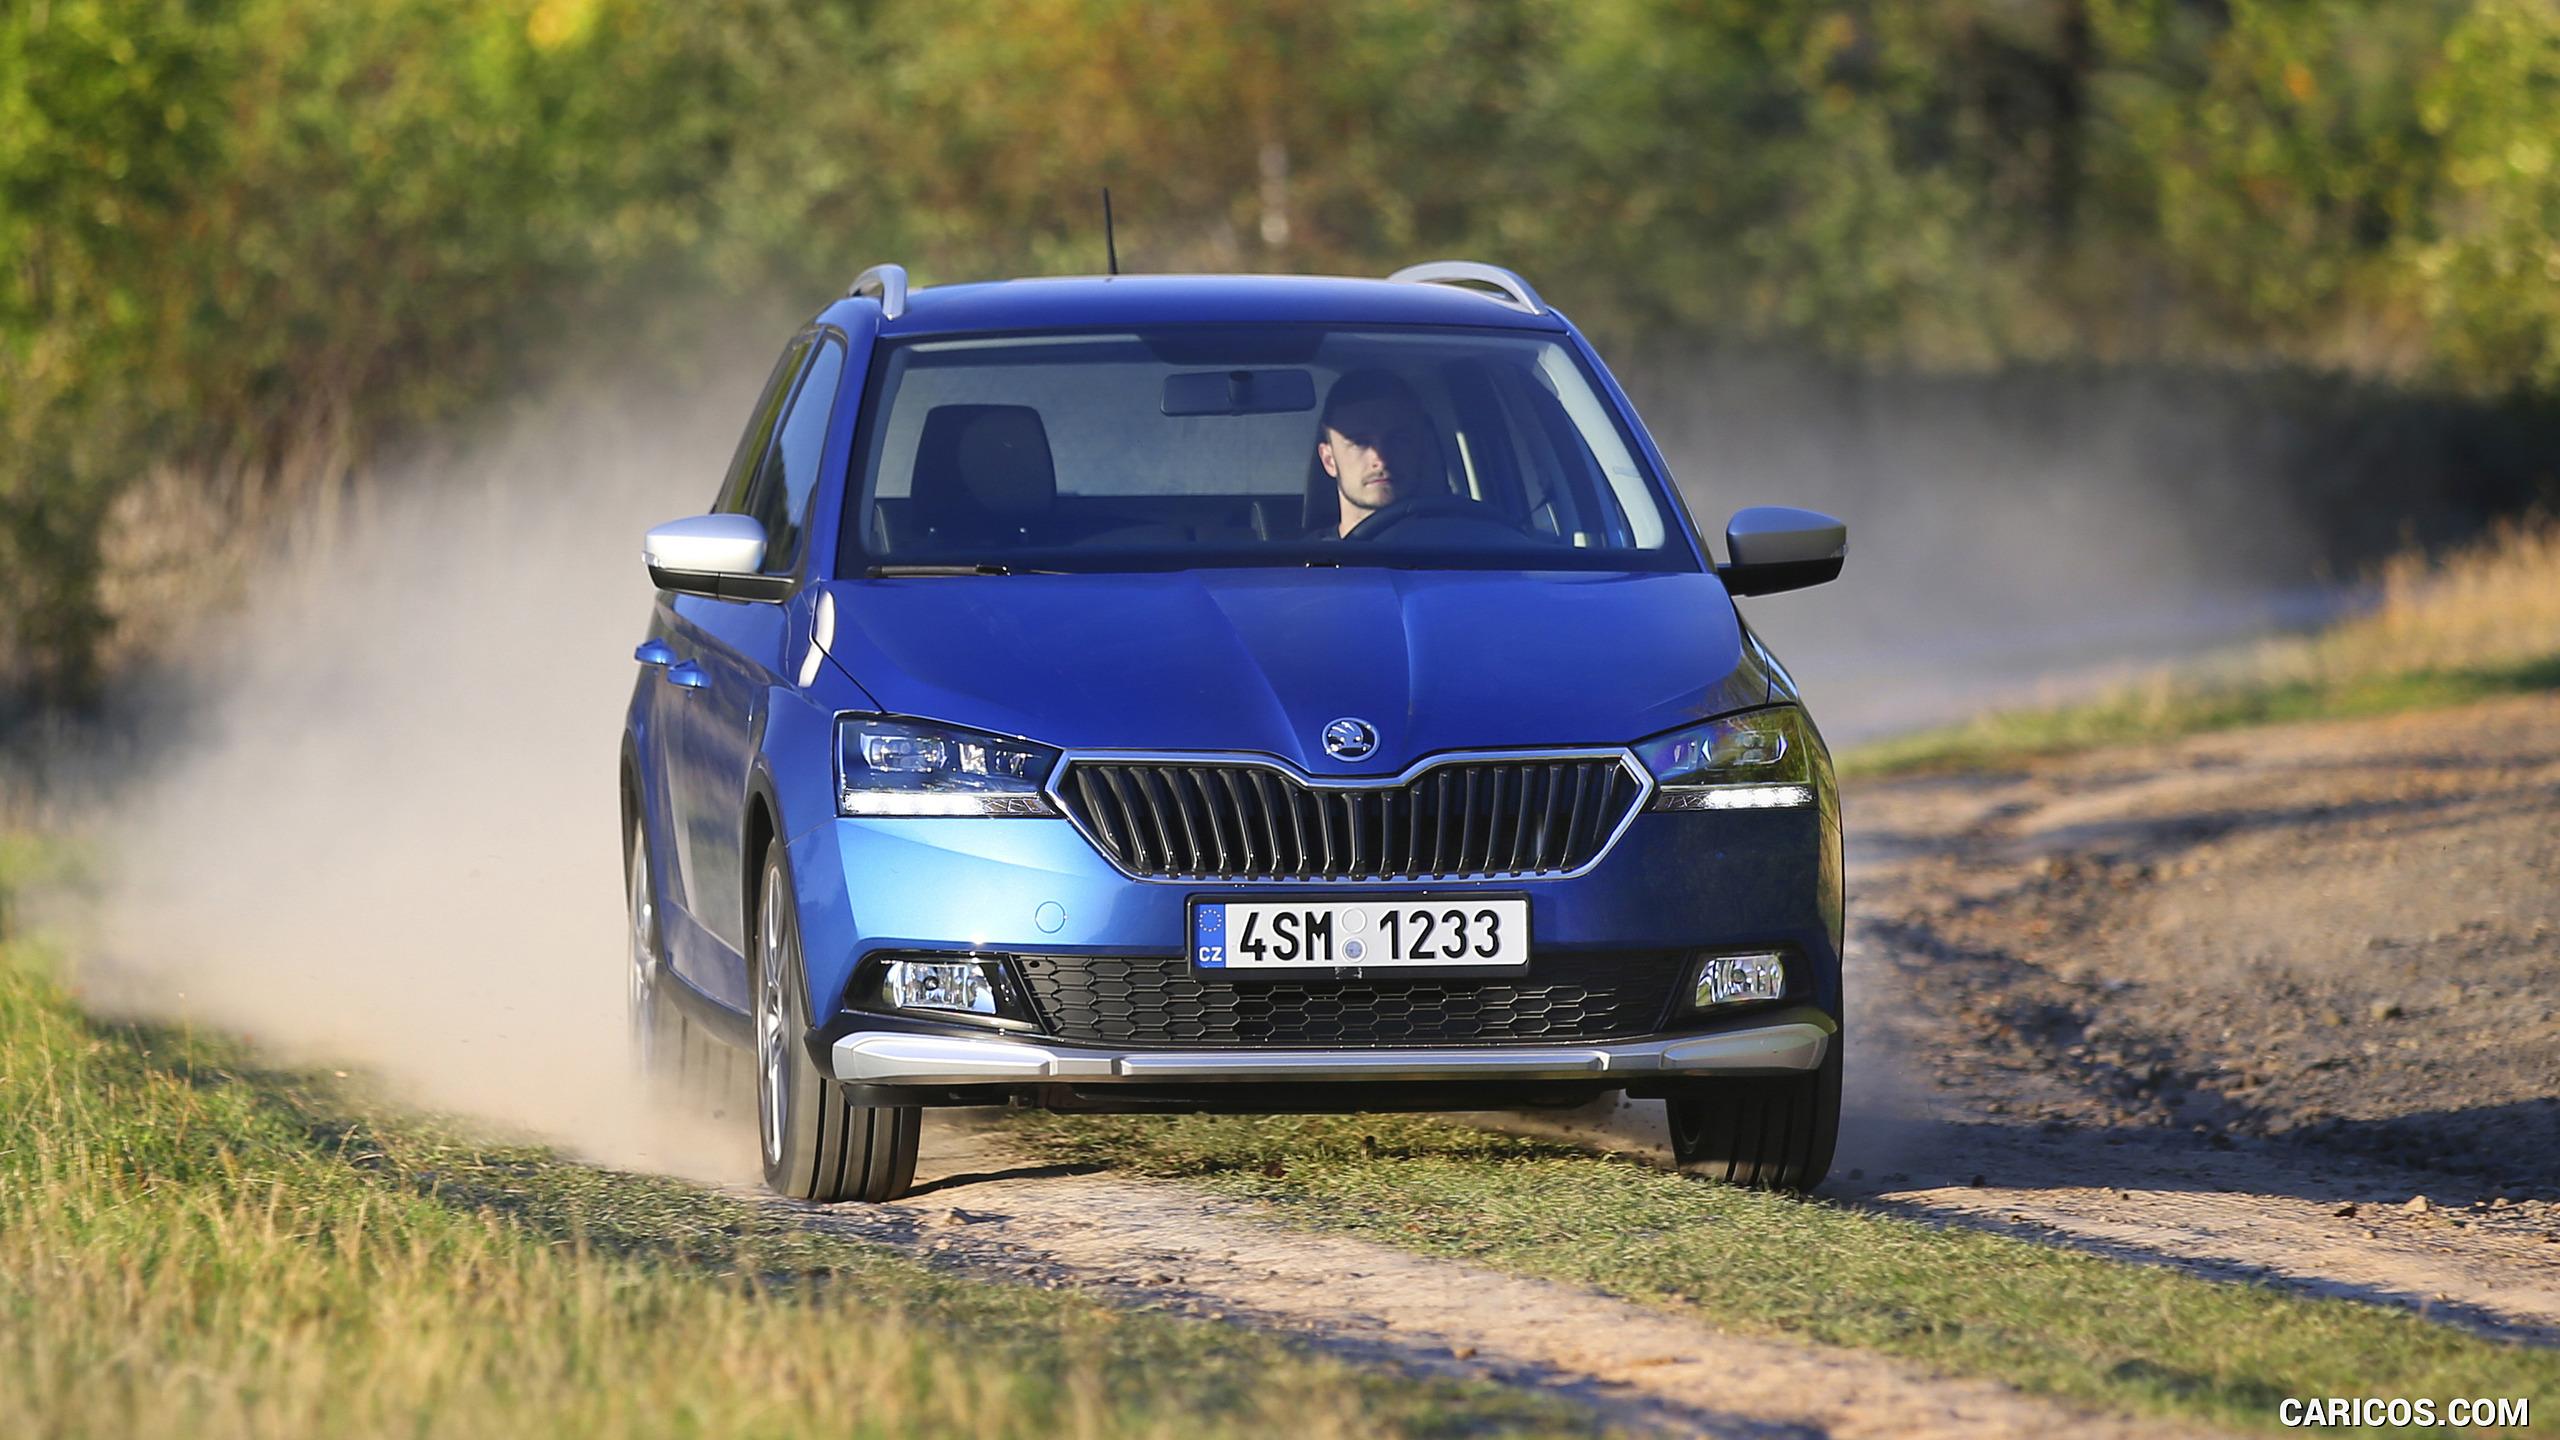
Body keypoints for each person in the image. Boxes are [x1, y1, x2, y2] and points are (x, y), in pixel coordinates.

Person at [1309, 369, 1443, 538]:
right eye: (1359, 442)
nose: (1380, 458)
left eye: (1398, 440)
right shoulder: (1300, 561)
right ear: (1329, 461)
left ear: (1420, 450)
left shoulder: (1465, 551)